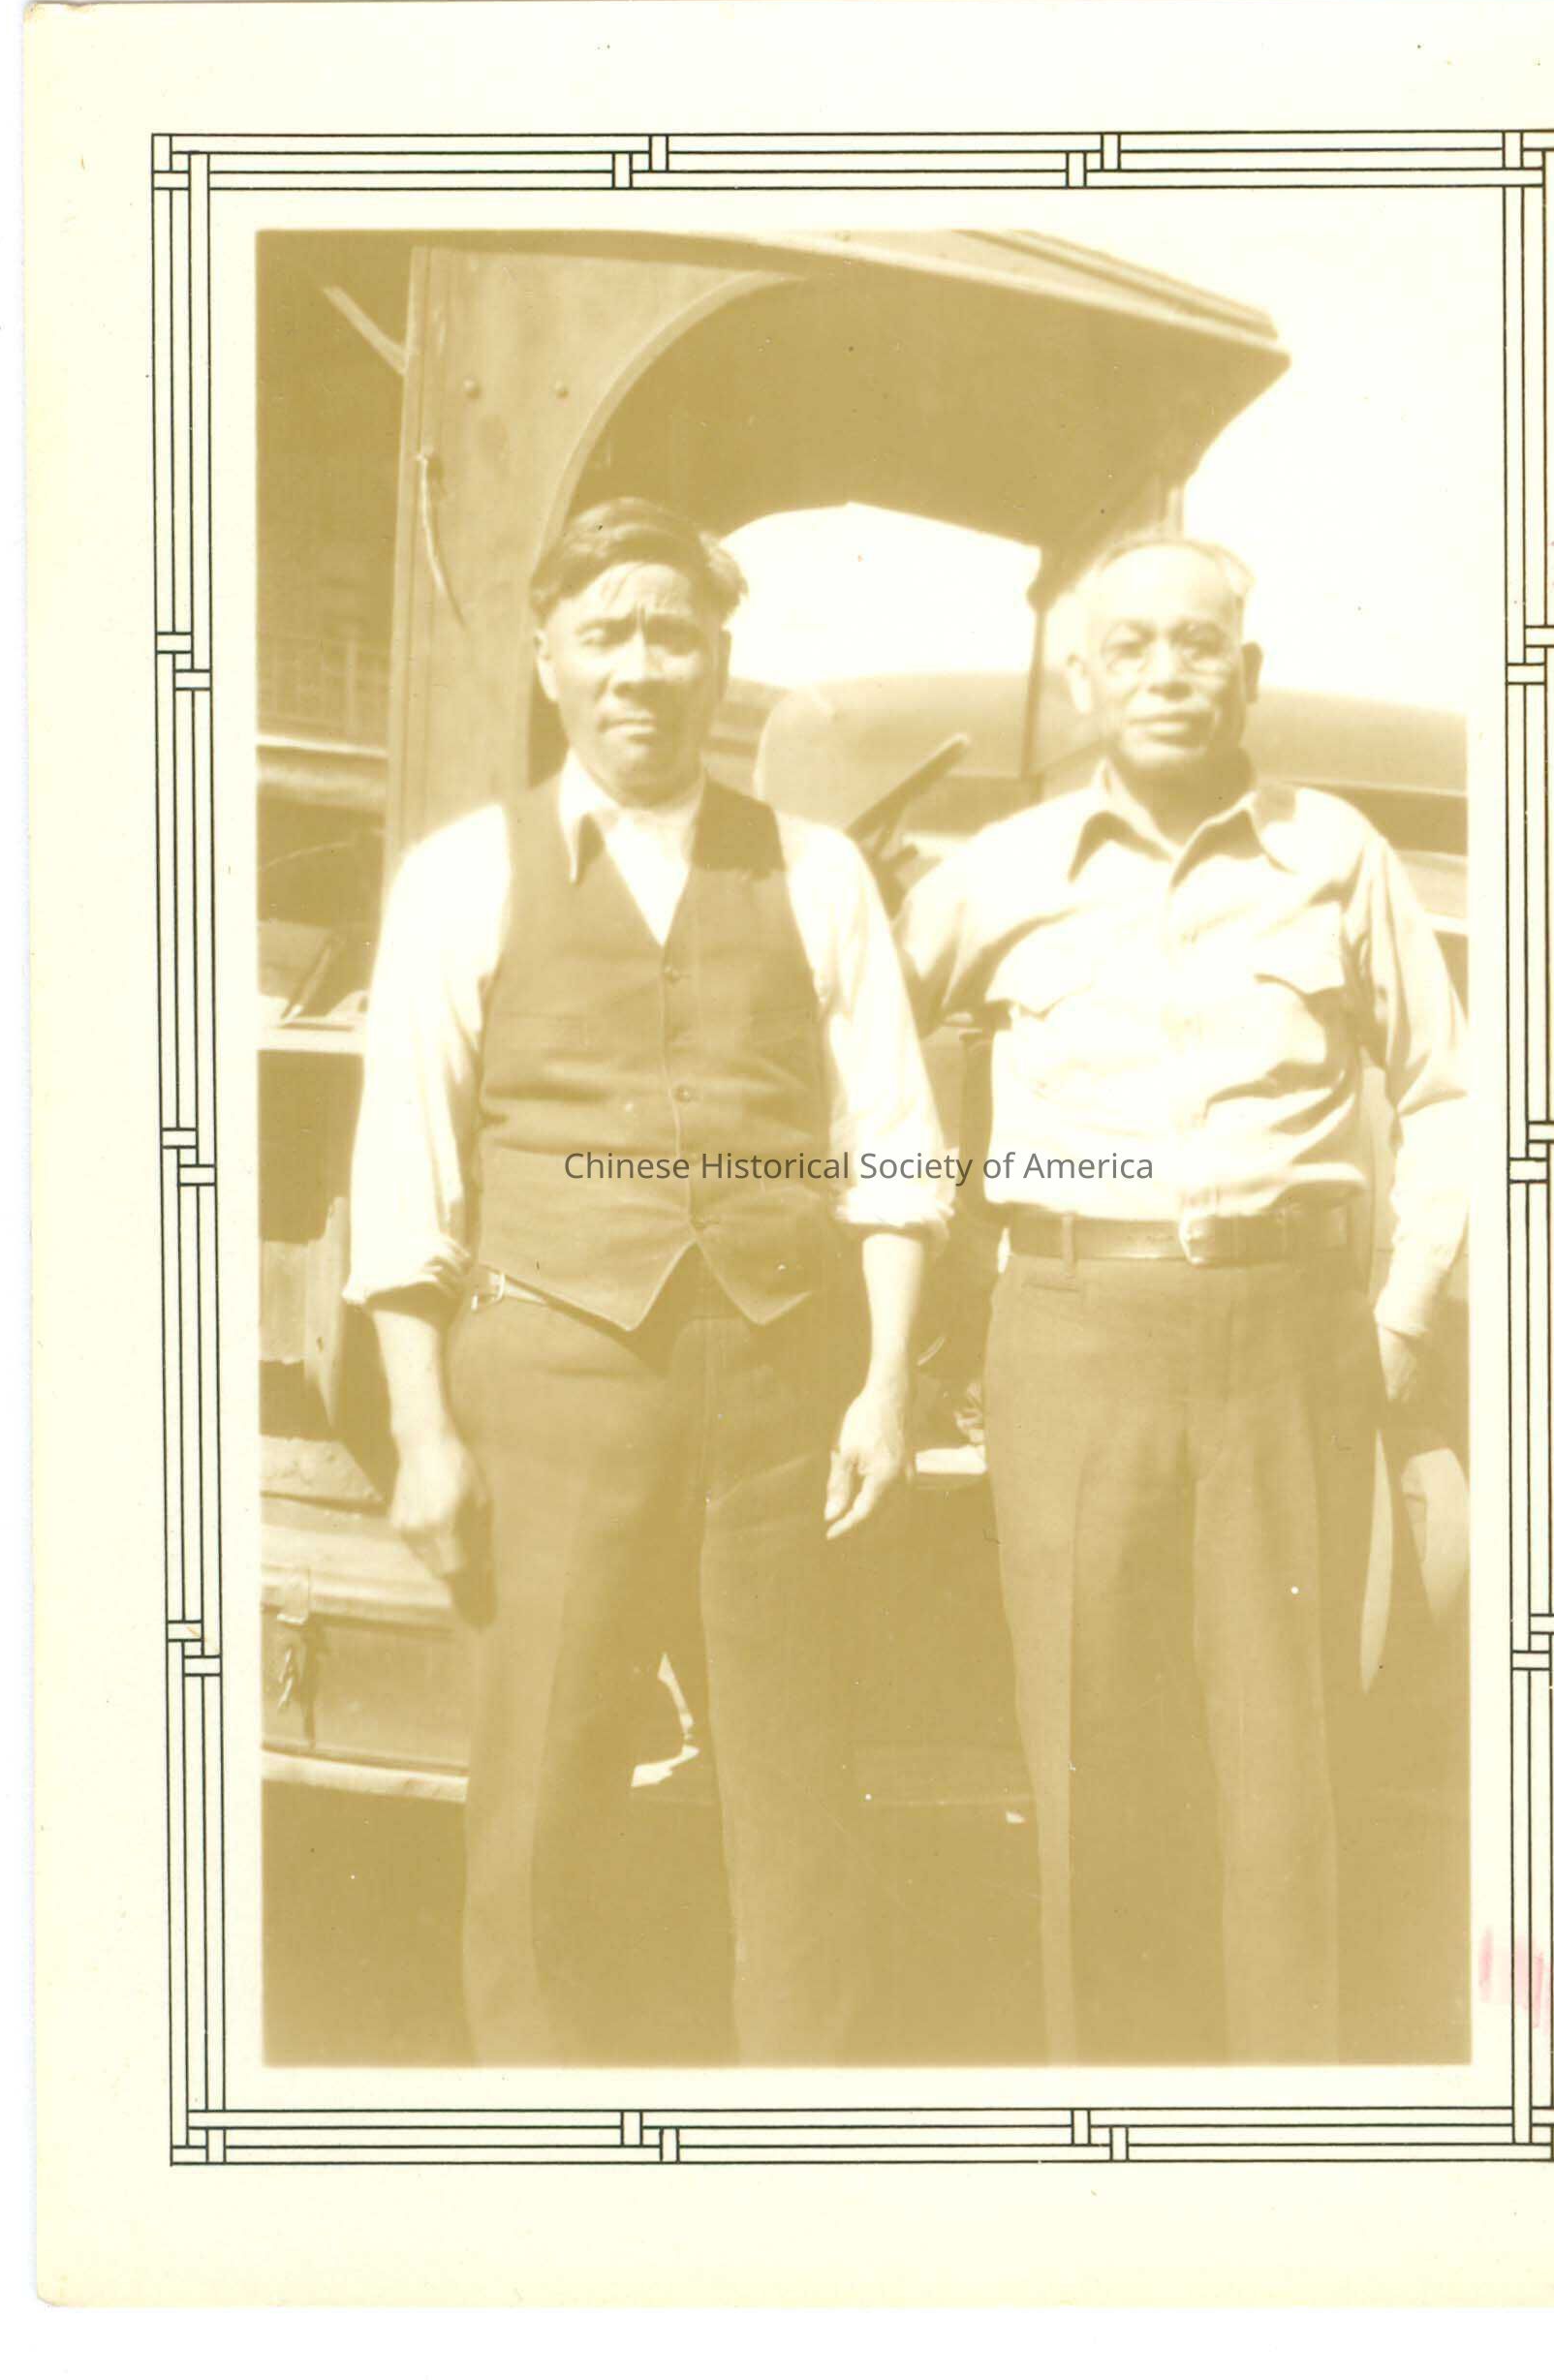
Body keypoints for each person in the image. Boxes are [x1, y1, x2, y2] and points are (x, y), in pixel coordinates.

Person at [345, 497, 951, 2064]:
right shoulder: (463, 875)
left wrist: (883, 1387)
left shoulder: (816, 871)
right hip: (554, 1377)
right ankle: (545, 2122)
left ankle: (796, 2131)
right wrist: (423, 1430)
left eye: (671, 634)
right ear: (548, 657)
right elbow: (408, 1174)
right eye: (604, 632)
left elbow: (895, 1145)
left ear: (718, 659)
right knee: (542, 1787)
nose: (640, 667)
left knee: (797, 1796)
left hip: (778, 1388)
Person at [895, 536, 1468, 2063]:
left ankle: (1280, 2137)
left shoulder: (1334, 855)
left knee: (1285, 1784)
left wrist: (1402, 1309)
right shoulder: (1000, 871)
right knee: (1095, 1776)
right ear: (1086, 680)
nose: (1165, 673)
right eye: (1132, 646)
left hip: (1287, 1341)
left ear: (1246, 672)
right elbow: (865, 1050)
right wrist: (914, 1262)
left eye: (1197, 644)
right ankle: (1116, 2139)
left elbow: (1449, 1089)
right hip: (1072, 1332)